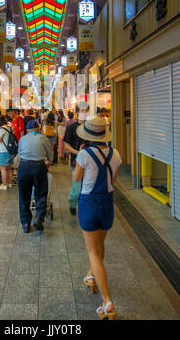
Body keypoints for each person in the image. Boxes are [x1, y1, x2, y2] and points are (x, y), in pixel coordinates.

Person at [73, 116, 121, 321]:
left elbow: (76, 178)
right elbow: (114, 179)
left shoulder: (84, 154)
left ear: (89, 136)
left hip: (89, 203)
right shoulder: (116, 153)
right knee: (100, 245)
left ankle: (107, 302)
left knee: (93, 251)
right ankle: (92, 277)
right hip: (107, 203)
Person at [17, 119, 53, 233]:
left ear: (27, 130)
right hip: (38, 167)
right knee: (41, 193)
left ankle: (26, 224)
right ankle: (38, 218)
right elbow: (50, 156)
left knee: (24, 195)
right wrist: (47, 163)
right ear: (38, 129)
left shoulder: (22, 139)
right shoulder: (43, 138)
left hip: (23, 167)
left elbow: (19, 154)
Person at [64, 103, 89, 215]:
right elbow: (66, 145)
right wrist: (78, 152)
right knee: (77, 188)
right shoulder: (71, 127)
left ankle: (85, 207)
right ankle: (73, 203)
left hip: (90, 162)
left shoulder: (90, 127)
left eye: (86, 110)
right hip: (76, 161)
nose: (84, 113)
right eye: (82, 110)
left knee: (88, 188)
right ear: (77, 112)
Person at [0, 116, 16, 190]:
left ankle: (4, 185)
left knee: (3, 168)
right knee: (9, 168)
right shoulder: (9, 128)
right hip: (10, 151)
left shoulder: (2, 130)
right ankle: (9, 183)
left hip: (4, 151)